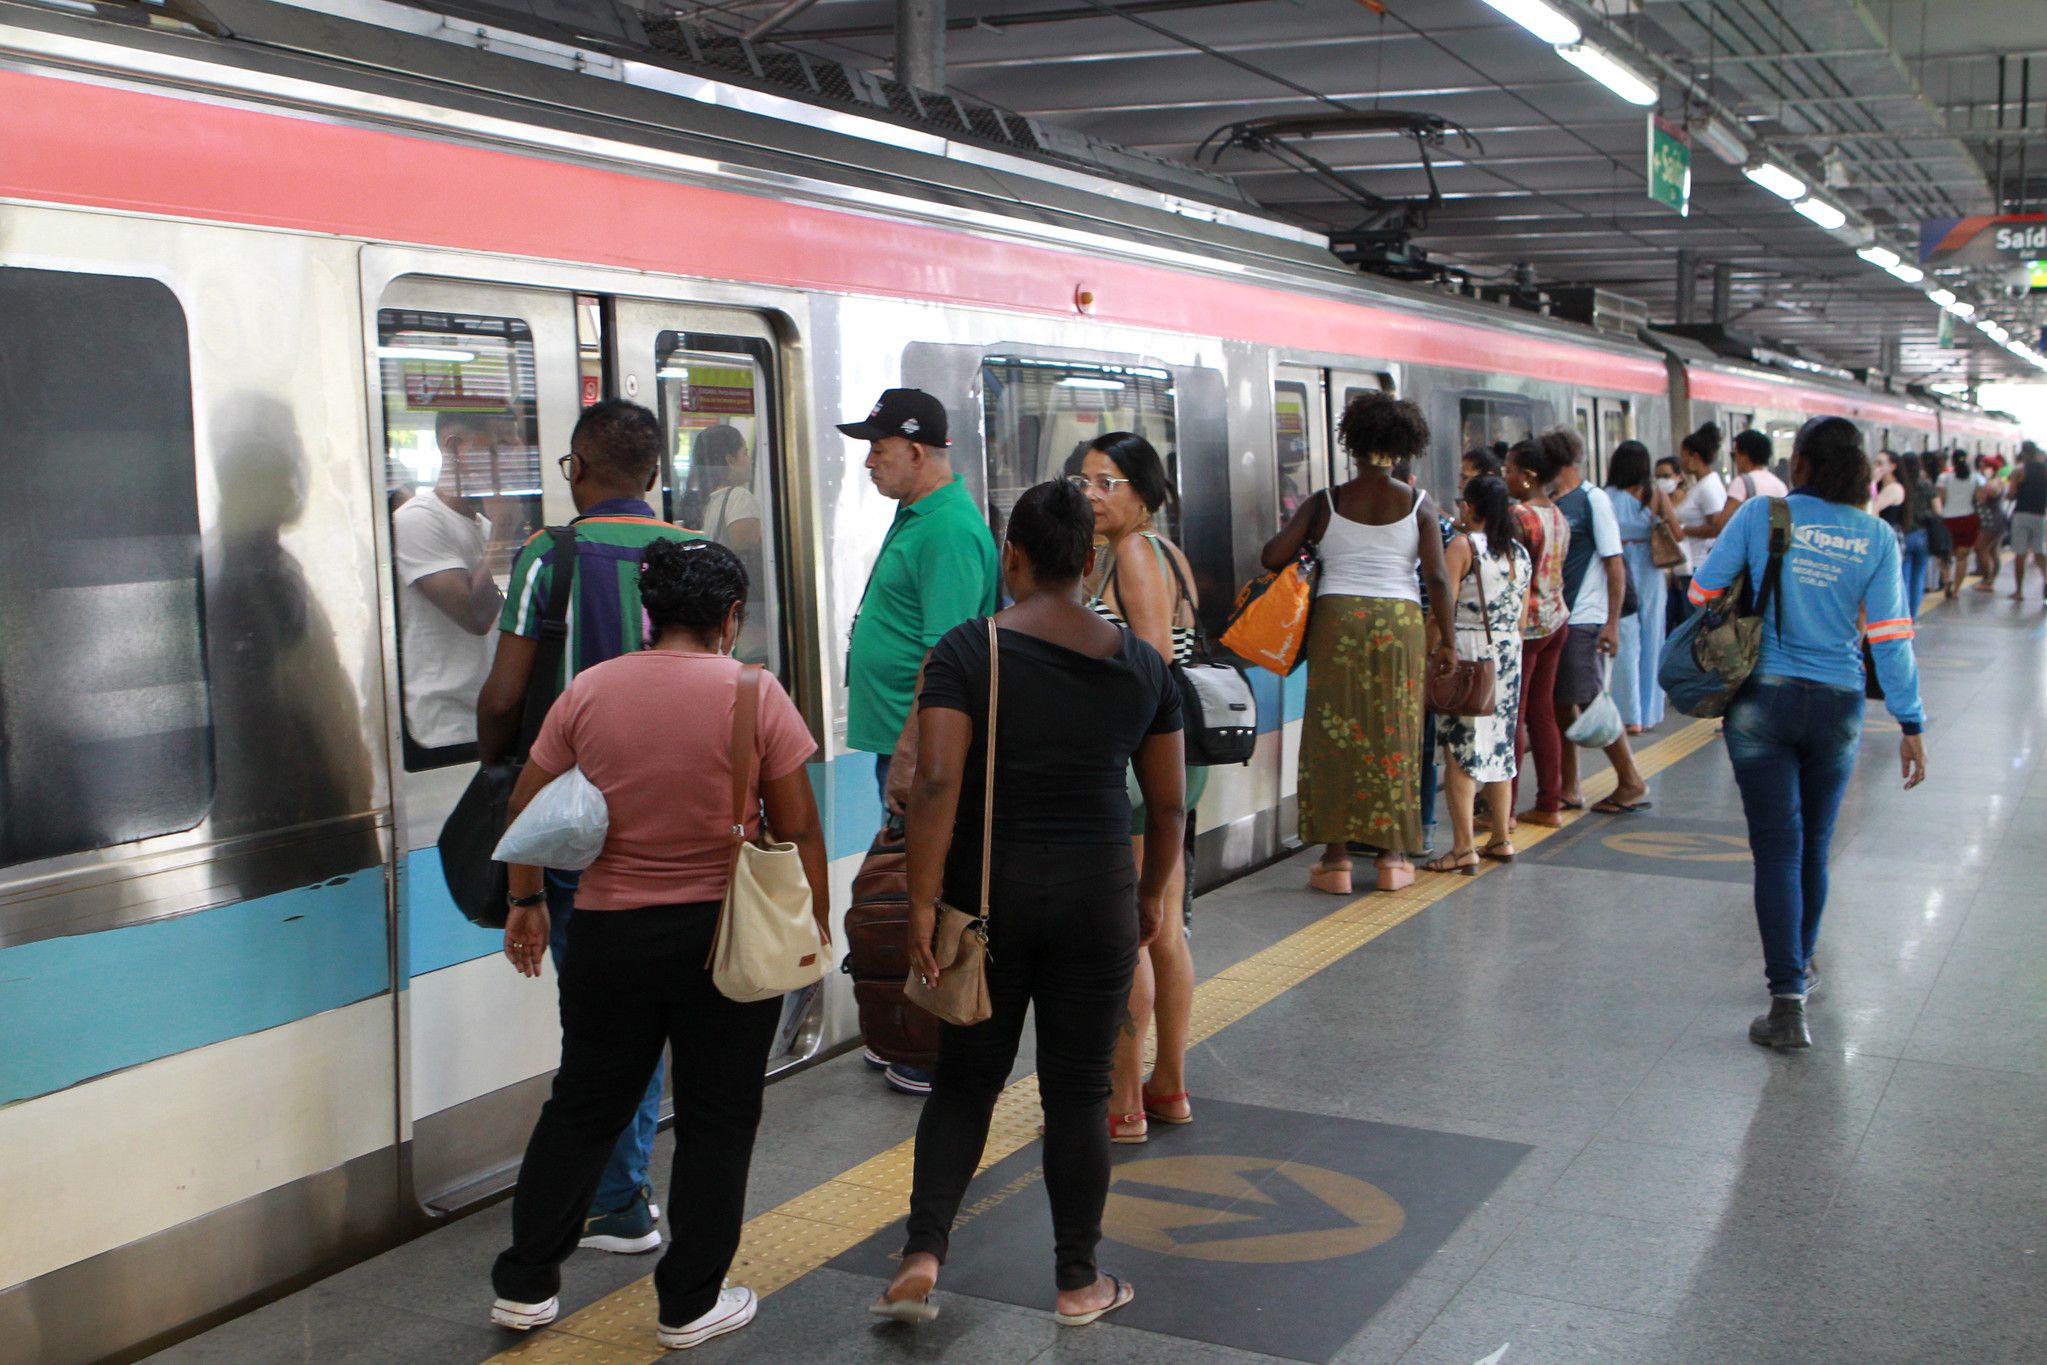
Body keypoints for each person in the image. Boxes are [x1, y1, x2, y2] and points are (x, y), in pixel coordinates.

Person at [490, 539, 828, 1349]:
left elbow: (526, 811)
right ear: (730, 616)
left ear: (652, 613)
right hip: (726, 938)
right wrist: (813, 924)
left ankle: (526, 1285)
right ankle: (687, 1304)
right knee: (717, 1119)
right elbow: (799, 823)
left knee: (583, 1105)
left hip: (609, 934)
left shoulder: (591, 688)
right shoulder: (756, 693)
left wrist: (526, 901)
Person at [874, 479, 1184, 1328]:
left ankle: (923, 1250)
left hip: (988, 900)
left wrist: (922, 905)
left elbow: (934, 783)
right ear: (1088, 563)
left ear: (1012, 558)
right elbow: (1164, 807)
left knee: (965, 1084)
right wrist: (1153, 894)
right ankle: (1077, 1279)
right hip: (1097, 898)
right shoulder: (1143, 667)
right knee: (1079, 1092)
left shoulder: (968, 651)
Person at [477, 399, 698, 1255]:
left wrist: (506, 765)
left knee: (598, 1017)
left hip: (573, 826)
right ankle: (618, 1190)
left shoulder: (548, 556)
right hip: (678, 826)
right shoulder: (696, 556)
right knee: (649, 1015)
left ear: (578, 469)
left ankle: (609, 1197)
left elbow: (502, 696)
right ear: (650, 474)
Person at [1689, 417, 1927, 1049]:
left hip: (1762, 700)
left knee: (1777, 849)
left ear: (1802, 465)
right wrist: (1910, 720)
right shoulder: (1877, 536)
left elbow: (1700, 590)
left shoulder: (1763, 516)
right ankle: (1803, 964)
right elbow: (1891, 637)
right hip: (1839, 706)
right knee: (1814, 845)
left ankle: (1786, 1000)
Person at [840, 388, 1001, 1096]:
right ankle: (900, 1021)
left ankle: (927, 1044)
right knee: (904, 892)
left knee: (925, 894)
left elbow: (945, 658)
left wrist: (912, 760)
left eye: (877, 449)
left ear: (915, 450)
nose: (869, 463)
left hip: (917, 757)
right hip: (896, 748)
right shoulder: (916, 515)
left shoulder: (946, 530)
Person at [1263, 392, 1455, 894]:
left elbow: (1272, 556)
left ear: (1353, 442)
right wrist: (1449, 640)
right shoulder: (1418, 503)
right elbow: (1436, 575)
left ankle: (1336, 860)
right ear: (1404, 446)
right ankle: (1393, 859)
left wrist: (1315, 542)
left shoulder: (1326, 501)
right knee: (1396, 733)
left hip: (1338, 620)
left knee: (1334, 735)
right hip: (1400, 623)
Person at [1072, 433, 1202, 1145]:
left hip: (1134, 758)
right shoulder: (1164, 551)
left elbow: (1147, 667)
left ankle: (1122, 1100)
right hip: (1164, 758)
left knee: (1130, 933)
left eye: (1106, 482)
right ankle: (1168, 1085)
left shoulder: (1131, 555)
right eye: (1083, 482)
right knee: (1165, 926)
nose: (1091, 495)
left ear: (1143, 491)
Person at [392, 412, 521, 748]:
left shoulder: (484, 528)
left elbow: (498, 615)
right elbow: (475, 616)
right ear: (454, 447)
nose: (513, 459)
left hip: (484, 717)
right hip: (444, 727)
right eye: (499, 447)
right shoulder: (416, 521)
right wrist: (505, 529)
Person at [1425, 476, 1531, 873]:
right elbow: (1522, 619)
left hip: (1467, 654)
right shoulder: (1519, 553)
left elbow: (1441, 609)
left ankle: (1464, 847)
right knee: (1500, 747)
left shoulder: (1463, 547)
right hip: (1507, 654)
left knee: (1460, 750)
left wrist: (1423, 648)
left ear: (1471, 507)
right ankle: (1501, 838)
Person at [1545, 425, 1652, 814]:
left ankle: (1630, 780)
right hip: (1559, 616)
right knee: (1561, 702)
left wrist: (1610, 623)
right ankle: (1570, 786)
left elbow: (1614, 563)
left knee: (1591, 699)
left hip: (1584, 617)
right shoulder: (1556, 500)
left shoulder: (1594, 501)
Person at [1506, 438, 1570, 827]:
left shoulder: (1521, 516)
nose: (1506, 478)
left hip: (1525, 627)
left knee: (1513, 715)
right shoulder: (1558, 515)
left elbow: (1510, 570)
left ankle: (1505, 809)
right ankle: (1550, 802)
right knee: (1543, 714)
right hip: (1556, 618)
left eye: (1509, 470)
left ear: (1528, 477)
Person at [1604, 441, 1682, 734]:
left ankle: (1629, 714)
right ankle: (1648, 714)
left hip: (1618, 565)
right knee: (1652, 639)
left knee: (1625, 638)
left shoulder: (1606, 496)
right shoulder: (1656, 494)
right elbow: (1677, 532)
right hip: (1650, 568)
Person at [1873, 451, 1931, 618]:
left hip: (1892, 538)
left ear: (1893, 466)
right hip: (1903, 535)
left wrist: (1871, 482)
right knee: (1910, 578)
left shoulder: (1893, 488)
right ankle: (1908, 617)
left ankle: (1904, 617)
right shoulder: (1886, 487)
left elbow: (1873, 508)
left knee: (1898, 580)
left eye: (1880, 463)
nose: (1876, 467)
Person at [1674, 422, 1728, 590]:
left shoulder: (1708, 487)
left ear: (1694, 457)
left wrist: (1682, 529)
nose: (1681, 461)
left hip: (1700, 565)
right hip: (1692, 563)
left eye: (1683, 455)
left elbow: (1715, 528)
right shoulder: (1700, 485)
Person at [1705, 430, 1788, 536]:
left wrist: (1715, 517)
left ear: (1745, 455)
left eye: (1734, 455)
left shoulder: (1742, 482)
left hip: (1750, 549)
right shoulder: (1780, 485)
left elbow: (1721, 524)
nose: (1735, 461)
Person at [1936, 449, 1980, 598]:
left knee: (1945, 555)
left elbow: (1941, 499)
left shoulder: (1944, 478)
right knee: (1962, 558)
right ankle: (1955, 591)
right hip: (1968, 519)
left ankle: (1947, 579)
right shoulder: (1976, 478)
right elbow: (1979, 499)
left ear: (1952, 461)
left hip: (1948, 520)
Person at [2010, 442, 2047, 603]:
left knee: (2020, 554)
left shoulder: (2019, 471)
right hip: (2039, 516)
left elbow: (2011, 494)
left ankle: (2019, 591)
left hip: (2021, 515)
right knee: (2039, 553)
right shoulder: (2045, 471)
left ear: (2024, 454)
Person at [1971, 455, 2007, 592]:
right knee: (1993, 551)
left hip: (1991, 521)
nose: (1980, 468)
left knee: (1981, 549)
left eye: (1983, 465)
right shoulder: (1995, 481)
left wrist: (1983, 486)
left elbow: (1984, 497)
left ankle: (1987, 580)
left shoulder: (1993, 482)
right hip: (1996, 520)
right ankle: (1991, 579)